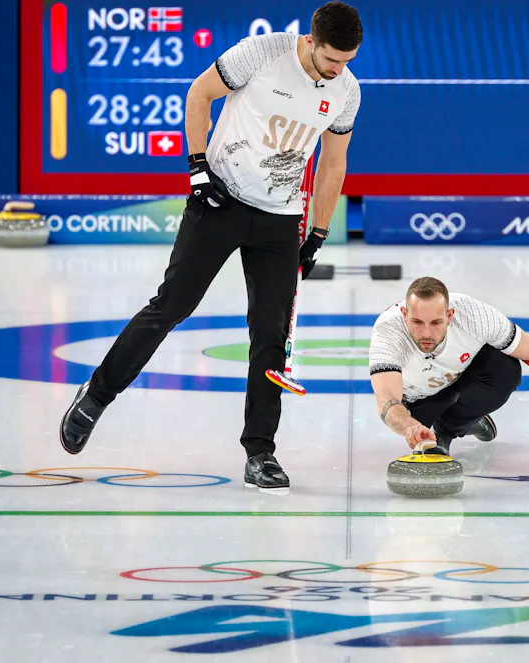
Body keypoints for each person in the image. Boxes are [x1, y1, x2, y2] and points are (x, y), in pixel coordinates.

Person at [59, 2, 364, 492]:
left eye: (347, 61)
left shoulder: (346, 91)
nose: (338, 70)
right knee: (170, 307)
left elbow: (332, 164)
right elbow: (199, 93)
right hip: (219, 202)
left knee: (271, 338)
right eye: (332, 60)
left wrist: (318, 233)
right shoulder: (261, 53)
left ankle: (260, 452)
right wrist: (197, 168)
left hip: (280, 221)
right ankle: (96, 396)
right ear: (310, 41)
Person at [368, 277, 529, 455]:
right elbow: (387, 399)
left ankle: (451, 427)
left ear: (450, 315)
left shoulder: (474, 315)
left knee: (505, 366)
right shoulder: (389, 331)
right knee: (415, 413)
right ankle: (457, 422)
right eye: (417, 322)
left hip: (460, 378)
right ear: (404, 313)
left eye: (436, 322)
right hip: (419, 403)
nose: (426, 333)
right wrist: (411, 427)